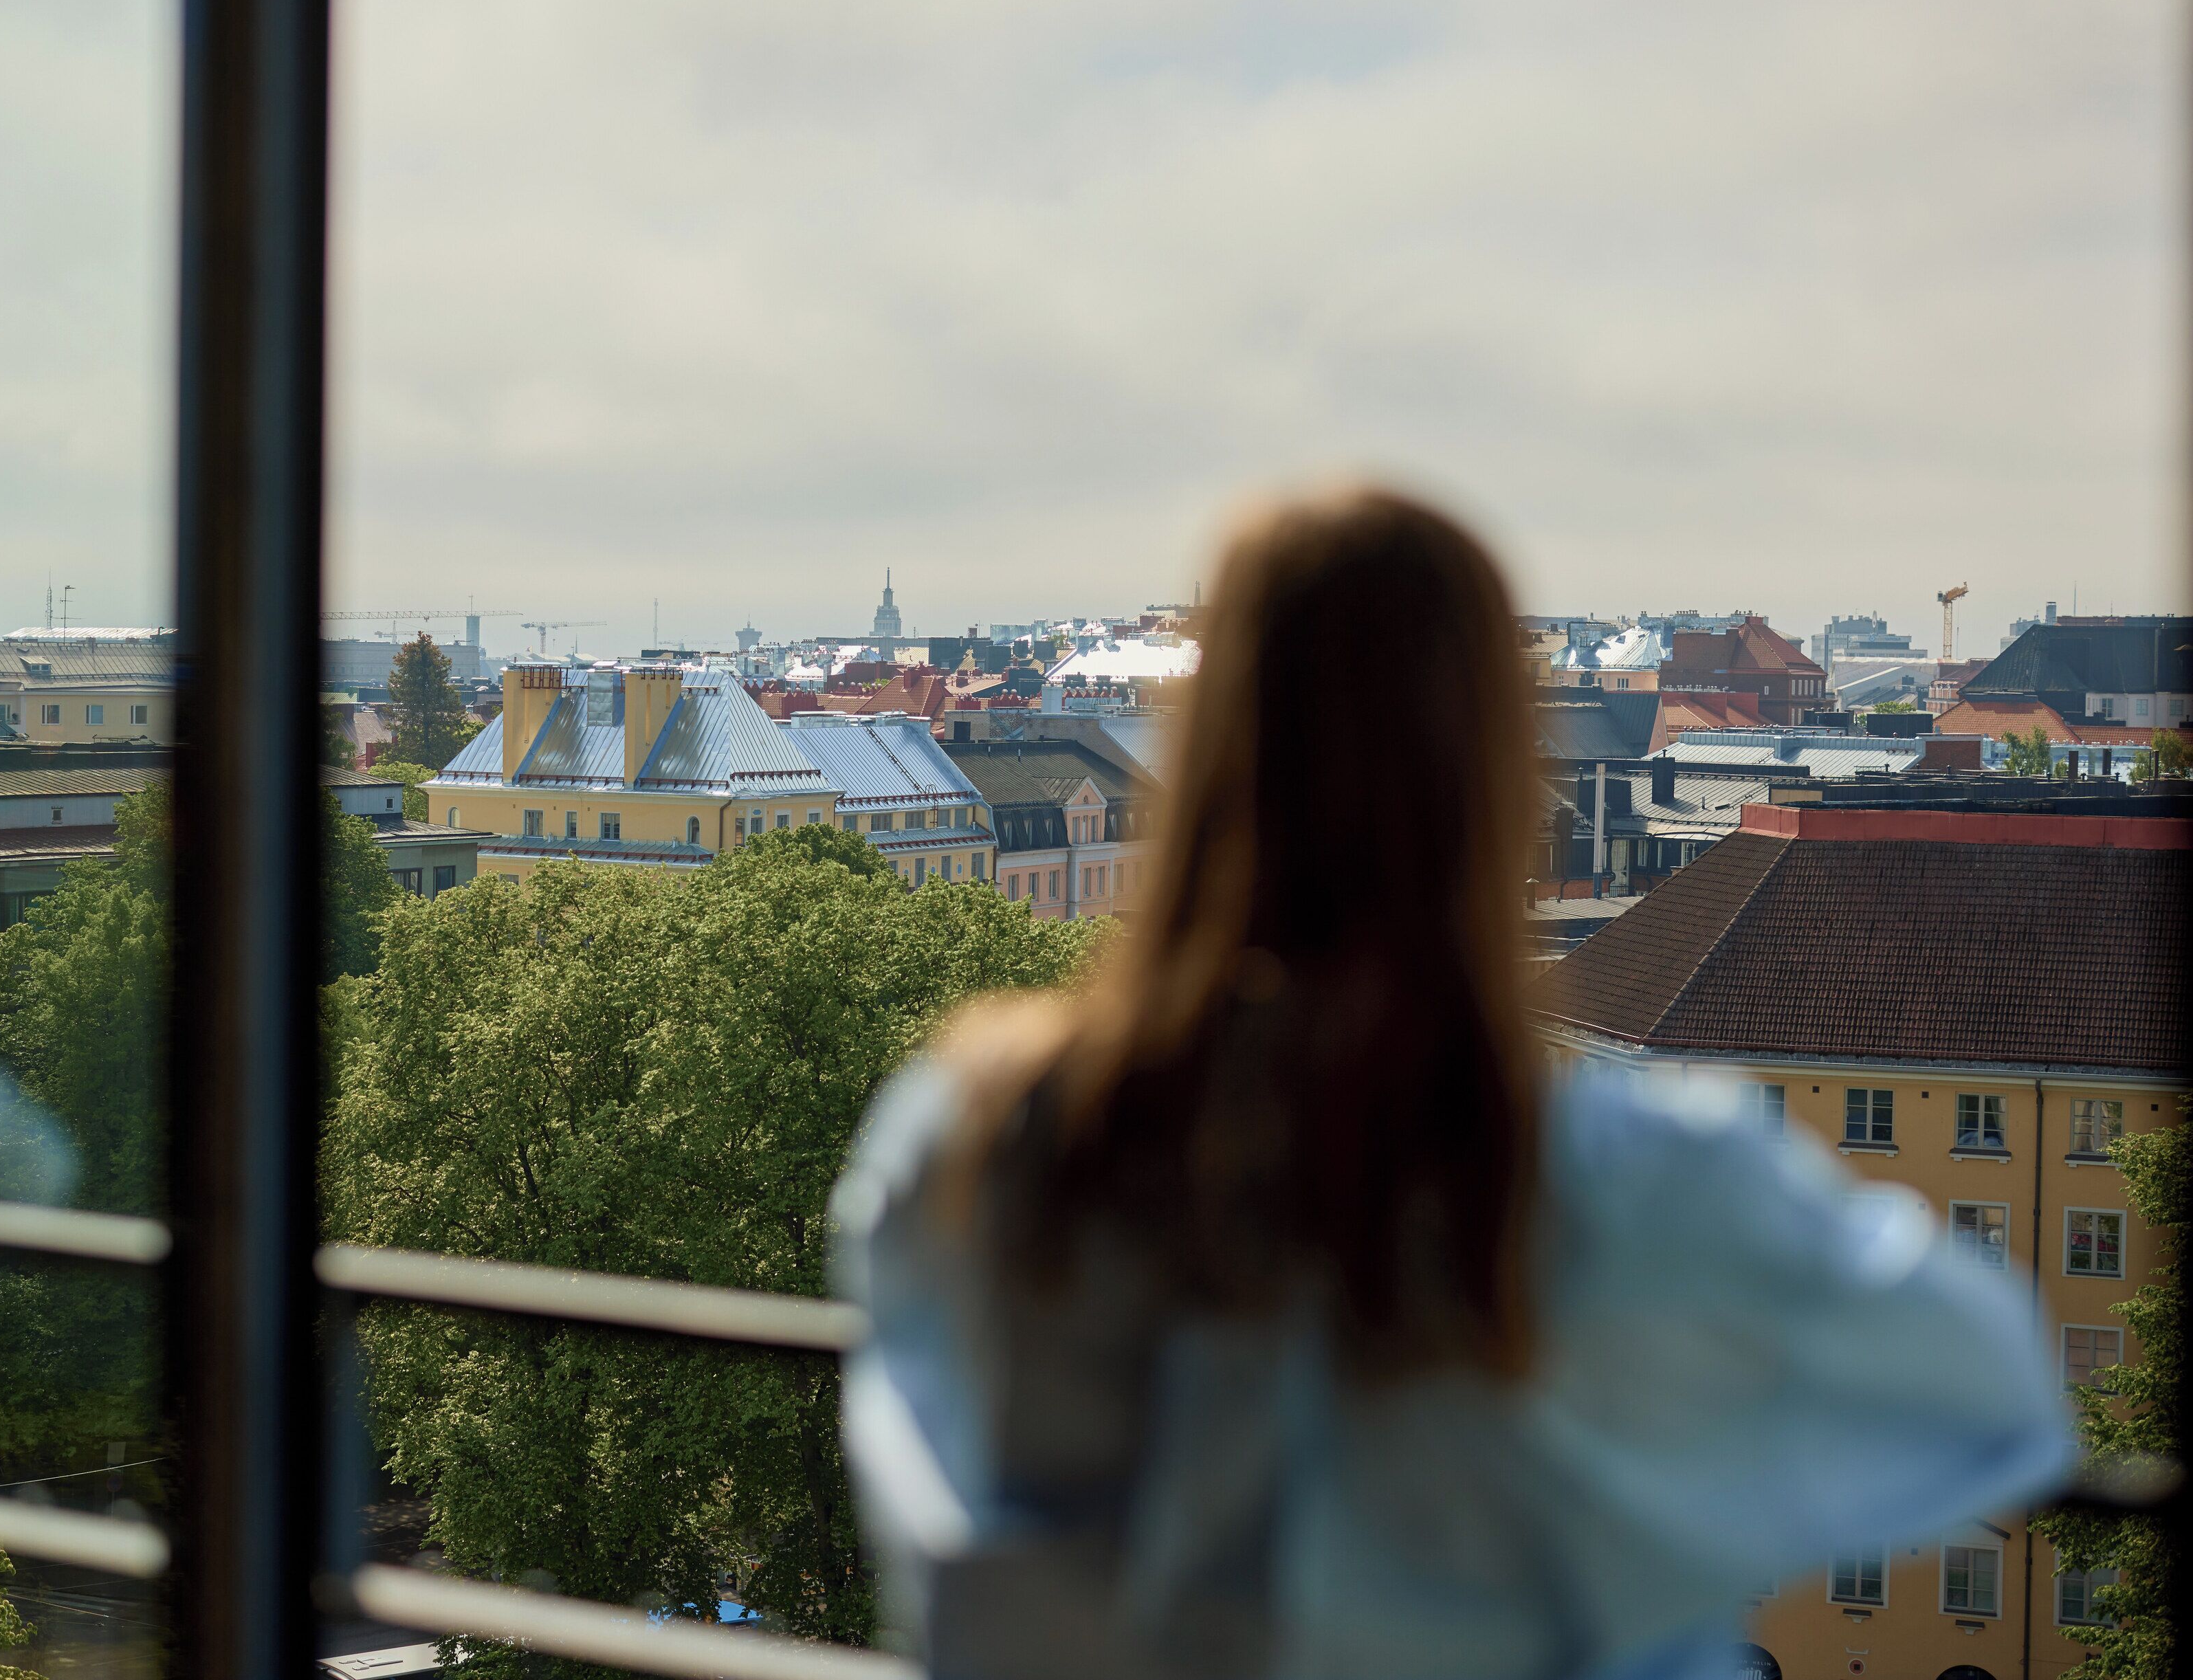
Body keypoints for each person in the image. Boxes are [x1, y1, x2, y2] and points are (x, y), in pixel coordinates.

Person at [829, 487, 2068, 1680]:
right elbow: (1994, 1388)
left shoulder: (970, 1138)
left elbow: (955, 1555)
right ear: (1493, 780)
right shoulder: (1614, 1176)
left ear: (1202, 759)